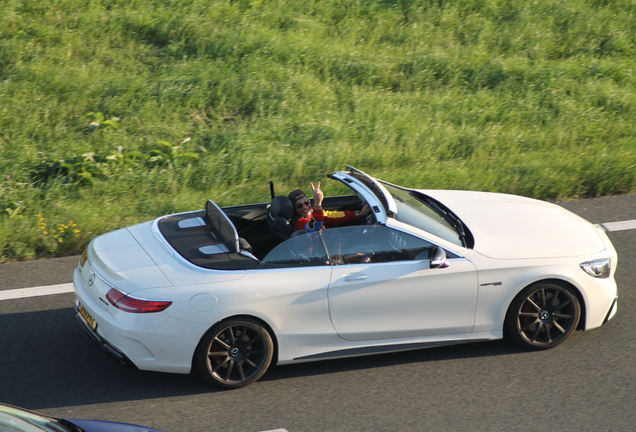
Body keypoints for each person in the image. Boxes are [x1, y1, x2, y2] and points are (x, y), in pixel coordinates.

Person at [288, 182, 371, 232]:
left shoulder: (312, 212)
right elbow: (315, 229)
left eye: (306, 202)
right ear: (294, 209)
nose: (305, 207)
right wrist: (317, 203)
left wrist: (360, 213)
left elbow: (332, 216)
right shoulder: (299, 223)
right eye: (299, 206)